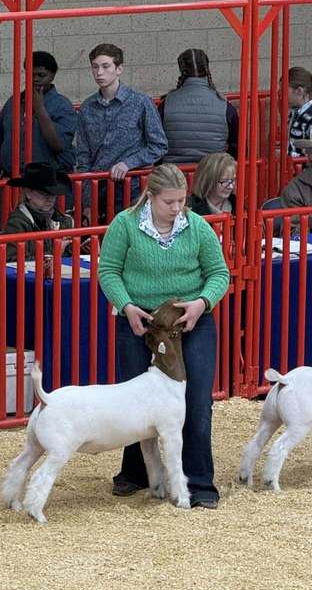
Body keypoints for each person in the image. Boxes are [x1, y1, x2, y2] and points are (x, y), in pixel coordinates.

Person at [97, 164, 229, 509]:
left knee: (198, 401)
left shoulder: (197, 227)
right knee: (134, 399)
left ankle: (199, 482)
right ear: (150, 196)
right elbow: (108, 271)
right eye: (169, 201)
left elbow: (219, 274)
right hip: (139, 321)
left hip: (191, 323)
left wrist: (203, 302)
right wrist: (125, 306)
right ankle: (136, 473)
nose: (176, 208)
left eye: (182, 200)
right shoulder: (124, 225)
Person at [75, 43, 167, 225]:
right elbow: (83, 157)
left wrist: (129, 163)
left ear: (119, 69)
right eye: (95, 67)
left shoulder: (141, 103)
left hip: (132, 187)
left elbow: (159, 145)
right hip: (99, 188)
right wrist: (86, 201)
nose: (99, 72)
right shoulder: (87, 108)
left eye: (105, 66)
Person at [0, 51, 77, 229]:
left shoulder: (62, 105)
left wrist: (39, 109)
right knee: (11, 233)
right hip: (13, 183)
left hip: (47, 187)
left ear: (52, 76)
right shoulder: (13, 103)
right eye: (30, 75)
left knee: (47, 238)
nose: (35, 79)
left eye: (41, 75)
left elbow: (58, 143)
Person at [160, 48, 239, 164]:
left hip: (173, 176)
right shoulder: (225, 106)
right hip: (213, 175)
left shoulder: (166, 104)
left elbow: (156, 145)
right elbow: (237, 146)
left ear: (181, 71)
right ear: (207, 68)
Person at [1, 162, 76, 267]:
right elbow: (12, 262)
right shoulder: (16, 223)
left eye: (53, 194)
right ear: (28, 193)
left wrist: (83, 249)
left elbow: (71, 256)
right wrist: (53, 253)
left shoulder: (63, 220)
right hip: (28, 282)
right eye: (44, 194)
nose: (50, 199)